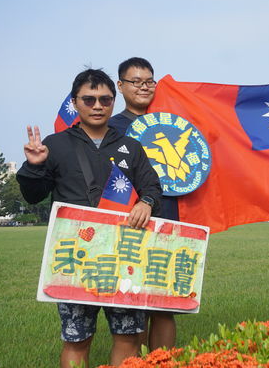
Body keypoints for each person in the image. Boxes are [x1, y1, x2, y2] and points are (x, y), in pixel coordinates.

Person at [17, 68, 162, 368]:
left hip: (123, 257)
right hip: (74, 256)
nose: (97, 106)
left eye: (105, 100)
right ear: (76, 102)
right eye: (89, 99)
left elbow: (152, 187)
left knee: (129, 336)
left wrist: (146, 202)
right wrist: (34, 166)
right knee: (76, 338)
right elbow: (33, 196)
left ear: (113, 101)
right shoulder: (55, 145)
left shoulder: (131, 147)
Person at [110, 57, 178, 350]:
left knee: (165, 305)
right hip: (129, 223)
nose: (144, 87)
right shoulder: (110, 128)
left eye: (149, 81)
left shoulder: (171, 122)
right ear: (120, 85)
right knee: (133, 302)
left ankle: (162, 359)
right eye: (135, 81)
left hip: (170, 218)